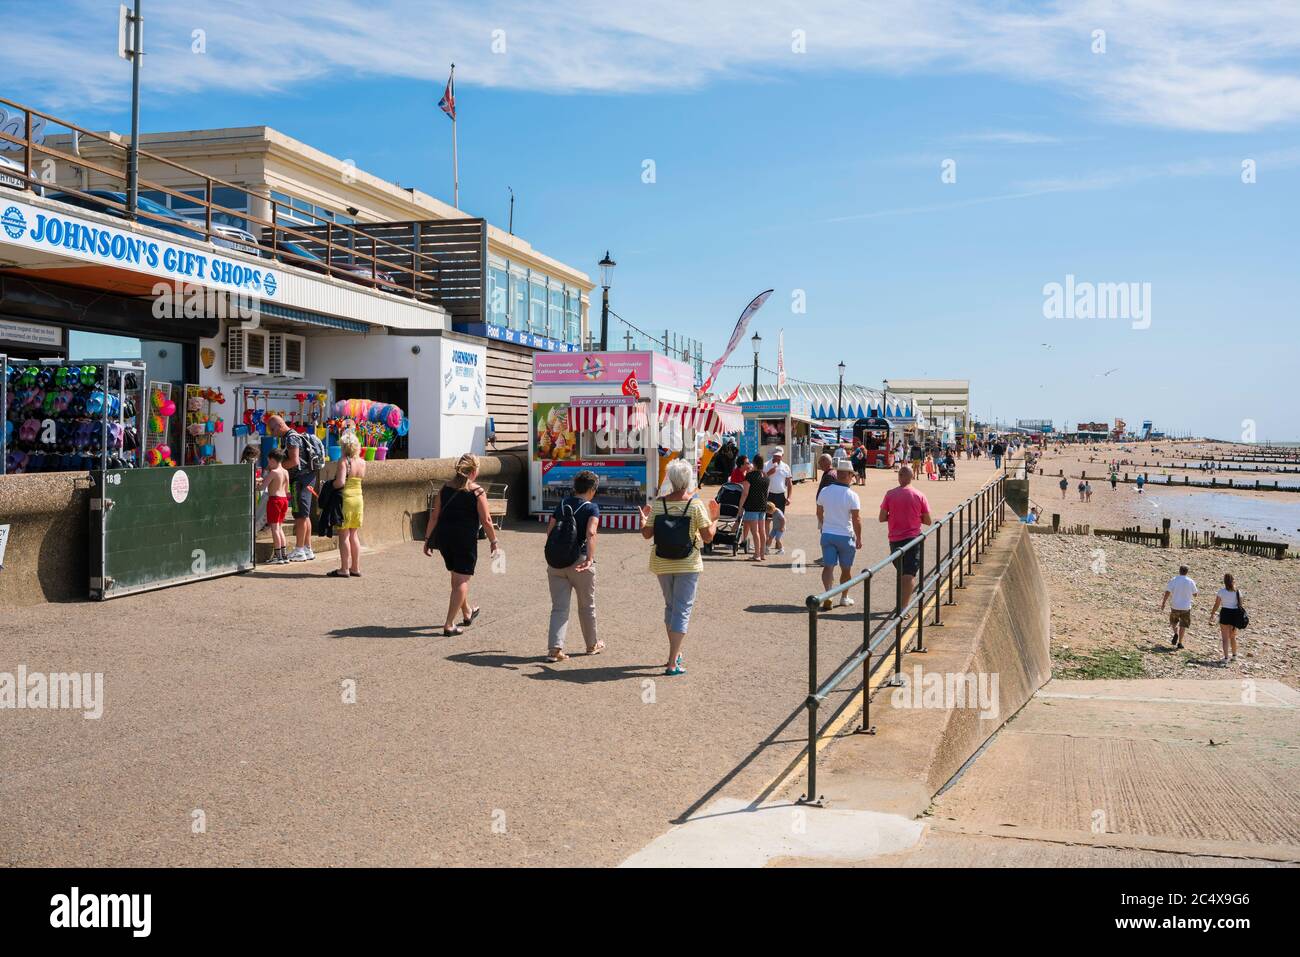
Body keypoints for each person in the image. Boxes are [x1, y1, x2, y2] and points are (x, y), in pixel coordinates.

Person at [639, 459, 720, 676]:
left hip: (662, 562)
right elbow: (708, 538)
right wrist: (715, 519)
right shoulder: (694, 505)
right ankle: (672, 662)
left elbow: (647, 534)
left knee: (671, 607)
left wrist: (643, 520)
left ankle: (675, 652)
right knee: (682, 609)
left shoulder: (659, 503)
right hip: (688, 562)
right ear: (688, 480)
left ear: (671, 480)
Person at [424, 453, 500, 637]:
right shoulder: (477, 491)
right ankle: (449, 624)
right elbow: (487, 520)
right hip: (464, 540)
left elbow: (434, 516)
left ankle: (467, 612)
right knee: (461, 580)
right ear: (474, 471)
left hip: (445, 539)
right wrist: (494, 541)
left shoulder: (445, 489)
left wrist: (427, 540)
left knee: (456, 577)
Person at [544, 469, 602, 662]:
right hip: (579, 561)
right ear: (592, 490)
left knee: (559, 607)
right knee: (587, 606)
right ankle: (591, 645)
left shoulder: (561, 504)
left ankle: (555, 649)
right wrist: (589, 559)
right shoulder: (591, 508)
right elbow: (591, 533)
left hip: (556, 562)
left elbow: (549, 531)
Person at [879, 466, 933, 618]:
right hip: (913, 539)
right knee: (909, 574)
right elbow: (928, 521)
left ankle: (902, 603)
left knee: (902, 572)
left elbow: (882, 517)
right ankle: (903, 607)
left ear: (900, 476)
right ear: (912, 476)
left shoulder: (890, 494)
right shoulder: (919, 495)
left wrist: (894, 516)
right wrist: (916, 517)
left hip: (895, 539)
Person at [267, 414, 322, 563]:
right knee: (305, 515)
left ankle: (299, 550)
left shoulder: (291, 438)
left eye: (272, 429)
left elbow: (294, 461)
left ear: (279, 425)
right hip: (308, 477)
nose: (272, 433)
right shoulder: (290, 436)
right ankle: (307, 548)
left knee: (299, 515)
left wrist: (277, 468)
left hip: (301, 480)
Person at [816, 458, 862, 610]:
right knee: (846, 569)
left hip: (828, 533)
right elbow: (856, 519)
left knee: (828, 567)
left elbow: (819, 512)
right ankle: (844, 597)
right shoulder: (852, 495)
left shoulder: (824, 491)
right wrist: (859, 538)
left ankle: (828, 594)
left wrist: (823, 525)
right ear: (849, 475)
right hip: (845, 535)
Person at [328, 431, 367, 578]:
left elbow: (340, 483)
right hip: (358, 499)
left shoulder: (344, 461)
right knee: (354, 534)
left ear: (343, 447)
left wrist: (330, 484)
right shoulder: (362, 462)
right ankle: (355, 567)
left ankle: (344, 568)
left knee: (343, 534)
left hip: (346, 500)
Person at [261, 448, 290, 564]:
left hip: (275, 500)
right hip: (284, 500)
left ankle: (278, 557)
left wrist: (256, 485)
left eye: (269, 461)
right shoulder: (285, 471)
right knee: (280, 527)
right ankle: (284, 555)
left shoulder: (273, 472)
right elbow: (286, 489)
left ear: (273, 460)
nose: (268, 464)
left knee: (274, 529)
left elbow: (262, 487)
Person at [1208, 573, 1245, 664]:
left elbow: (1217, 604)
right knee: (1232, 636)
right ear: (1233, 581)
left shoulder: (1221, 591)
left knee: (1225, 637)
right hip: (1234, 614)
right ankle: (1234, 655)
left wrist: (1212, 613)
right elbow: (1240, 604)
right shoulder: (1237, 591)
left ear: (1224, 582)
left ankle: (1225, 658)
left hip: (1225, 612)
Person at [1160, 564, 1198, 649]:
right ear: (1187, 572)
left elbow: (1167, 592)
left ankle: (1175, 633)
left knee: (1173, 622)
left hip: (1175, 606)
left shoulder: (1174, 580)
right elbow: (1195, 594)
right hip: (1186, 607)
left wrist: (1163, 603)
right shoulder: (1190, 581)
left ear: (1179, 571)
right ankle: (1180, 643)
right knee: (1183, 625)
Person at [741, 454, 770, 561]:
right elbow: (766, 493)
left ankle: (756, 554)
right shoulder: (766, 476)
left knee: (755, 531)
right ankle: (762, 554)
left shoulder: (750, 476)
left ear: (755, 463)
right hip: (762, 505)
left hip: (752, 505)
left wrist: (741, 507)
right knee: (762, 531)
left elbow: (745, 493)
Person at [764, 447, 793, 524]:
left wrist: (789, 497)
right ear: (773, 455)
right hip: (769, 495)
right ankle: (767, 536)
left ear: (782, 455)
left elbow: (789, 483)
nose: (777, 458)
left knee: (779, 519)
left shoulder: (786, 467)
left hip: (780, 496)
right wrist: (769, 473)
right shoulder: (766, 465)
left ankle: (775, 536)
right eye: (776, 455)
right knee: (767, 519)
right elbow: (761, 479)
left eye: (779, 456)